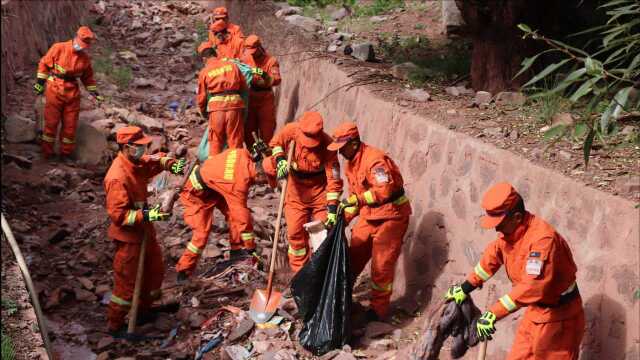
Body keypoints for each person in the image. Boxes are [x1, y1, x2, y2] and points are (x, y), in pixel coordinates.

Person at [444, 182, 585, 359]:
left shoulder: (543, 240)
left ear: (517, 217)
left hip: (560, 319)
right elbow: (493, 257)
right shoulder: (511, 233)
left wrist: (492, 314)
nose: (496, 228)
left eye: (500, 224)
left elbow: (532, 287)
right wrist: (466, 287)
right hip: (535, 314)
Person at [103, 126, 186, 337]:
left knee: (154, 271)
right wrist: (149, 215)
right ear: (127, 147)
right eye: (139, 147)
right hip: (129, 237)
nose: (143, 150)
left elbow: (151, 162)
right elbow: (119, 216)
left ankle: (144, 311)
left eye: (144, 146)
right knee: (126, 283)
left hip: (144, 232)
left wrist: (169, 163)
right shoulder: (117, 176)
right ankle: (115, 325)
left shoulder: (134, 162)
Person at [327, 121, 412, 322]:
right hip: (369, 215)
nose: (339, 153)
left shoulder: (375, 161)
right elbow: (355, 198)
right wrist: (342, 220)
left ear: (354, 143)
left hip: (392, 216)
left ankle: (378, 311)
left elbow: (384, 191)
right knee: (353, 253)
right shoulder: (350, 165)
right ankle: (343, 295)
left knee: (381, 267)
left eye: (342, 148)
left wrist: (358, 200)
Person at [175, 146, 269, 281]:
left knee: (232, 215)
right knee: (201, 234)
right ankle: (183, 271)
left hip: (214, 188)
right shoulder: (238, 185)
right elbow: (243, 219)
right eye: (264, 181)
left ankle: (237, 251)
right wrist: (251, 248)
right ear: (259, 174)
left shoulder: (242, 153)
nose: (262, 185)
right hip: (195, 194)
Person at [265, 112, 343, 273]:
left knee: (321, 236)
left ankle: (317, 275)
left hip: (319, 194)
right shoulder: (290, 130)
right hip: (295, 192)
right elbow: (276, 144)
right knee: (294, 234)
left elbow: (333, 180)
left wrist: (332, 209)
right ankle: (298, 275)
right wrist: (280, 161)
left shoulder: (328, 146)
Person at [34, 26, 103, 161]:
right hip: (55, 88)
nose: (82, 47)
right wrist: (40, 83)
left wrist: (94, 92)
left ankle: (65, 154)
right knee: (51, 123)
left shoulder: (84, 59)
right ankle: (47, 154)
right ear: (75, 38)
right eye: (81, 44)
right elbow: (44, 64)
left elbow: (87, 77)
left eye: (85, 46)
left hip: (73, 92)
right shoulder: (59, 48)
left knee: (70, 126)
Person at [196, 42, 248, 157]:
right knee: (235, 142)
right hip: (235, 107)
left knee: (215, 142)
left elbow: (201, 98)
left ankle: (214, 172)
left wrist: (204, 113)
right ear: (215, 54)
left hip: (216, 109)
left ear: (204, 59)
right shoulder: (232, 66)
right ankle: (235, 171)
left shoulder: (204, 72)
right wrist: (244, 109)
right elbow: (244, 88)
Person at [241, 35, 281, 148]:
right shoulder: (245, 59)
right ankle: (252, 156)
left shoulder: (271, 61)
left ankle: (267, 157)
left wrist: (264, 76)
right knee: (248, 129)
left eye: (254, 51)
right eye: (250, 52)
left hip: (265, 98)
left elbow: (276, 80)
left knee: (267, 129)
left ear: (259, 47)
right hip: (250, 97)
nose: (252, 54)